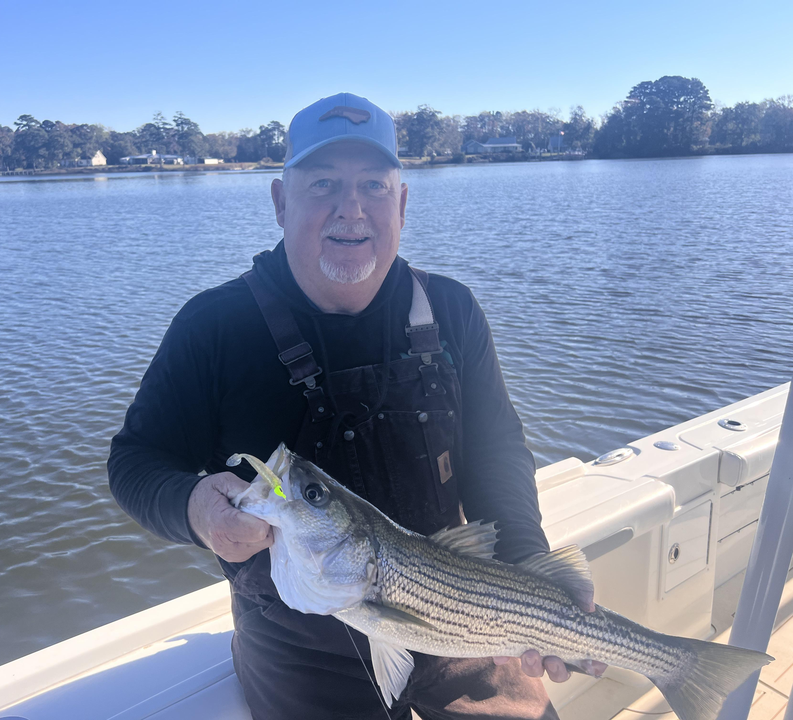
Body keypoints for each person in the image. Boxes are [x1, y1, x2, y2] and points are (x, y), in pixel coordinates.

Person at [108, 93, 602, 720]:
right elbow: (134, 461)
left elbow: (497, 451)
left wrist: (532, 584)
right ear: (281, 203)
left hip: (460, 611)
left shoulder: (451, 309)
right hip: (298, 644)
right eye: (323, 184)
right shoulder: (213, 327)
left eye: (373, 184)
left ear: (401, 203)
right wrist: (193, 510)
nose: (352, 208)